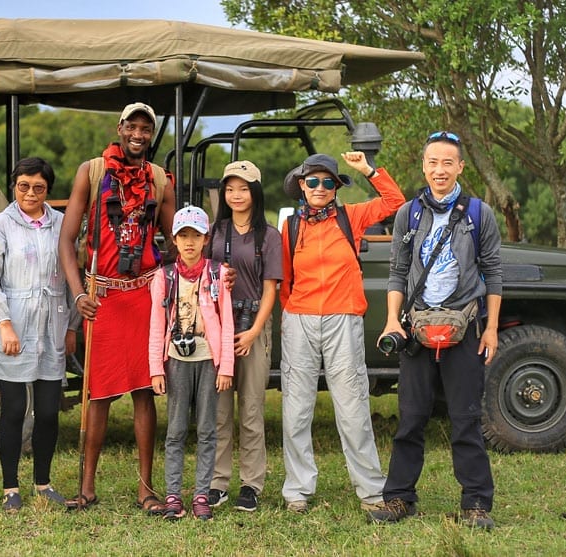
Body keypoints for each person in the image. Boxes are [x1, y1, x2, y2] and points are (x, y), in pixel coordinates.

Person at [368, 131, 503, 530]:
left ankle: (476, 504)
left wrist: (491, 328)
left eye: (448, 162)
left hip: (465, 328)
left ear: (460, 166)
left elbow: (494, 273)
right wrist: (394, 320)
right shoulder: (408, 213)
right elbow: (397, 272)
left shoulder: (480, 214)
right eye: (433, 162)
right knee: (410, 418)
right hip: (416, 329)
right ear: (424, 166)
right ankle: (398, 499)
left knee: (465, 418)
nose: (439, 169)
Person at [57, 102, 176, 514]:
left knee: (145, 393)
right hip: (102, 297)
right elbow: (67, 242)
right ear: (120, 127)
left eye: (146, 128)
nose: (138, 134)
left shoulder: (160, 180)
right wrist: (78, 295)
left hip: (144, 295)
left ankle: (146, 490)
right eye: (132, 126)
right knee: (99, 394)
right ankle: (86, 488)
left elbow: (178, 243)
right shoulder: (91, 172)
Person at [279, 152, 405, 515]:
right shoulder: (289, 227)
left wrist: (368, 170)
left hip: (343, 319)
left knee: (352, 408)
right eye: (313, 181)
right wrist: (293, 311)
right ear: (302, 186)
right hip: (299, 320)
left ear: (336, 187)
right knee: (297, 408)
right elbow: (286, 278)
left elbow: (395, 202)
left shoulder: (352, 217)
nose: (320, 188)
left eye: (327, 182)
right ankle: (297, 491)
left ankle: (370, 491)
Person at [0, 157, 78, 513]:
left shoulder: (62, 224)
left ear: (48, 190)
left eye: (39, 187)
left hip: (53, 325)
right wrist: (3, 323)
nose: (30, 193)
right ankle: (10, 487)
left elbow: (71, 274)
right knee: (14, 410)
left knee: (49, 411)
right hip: (15, 325)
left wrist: (72, 326)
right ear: (14, 186)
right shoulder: (1, 225)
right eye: (23, 186)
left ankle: (43, 482)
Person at [206, 161, 283, 513]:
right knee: (219, 411)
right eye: (230, 188)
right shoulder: (215, 231)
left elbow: (271, 289)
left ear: (256, 191)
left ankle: (251, 483)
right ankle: (218, 482)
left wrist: (254, 331)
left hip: (253, 324)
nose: (236, 195)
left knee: (251, 410)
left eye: (244, 188)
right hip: (219, 325)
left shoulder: (268, 236)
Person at [149, 206, 235, 521]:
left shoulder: (218, 273)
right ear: (173, 239)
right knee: (175, 430)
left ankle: (201, 495)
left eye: (195, 236)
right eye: (183, 236)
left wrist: (226, 366)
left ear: (205, 239)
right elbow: (156, 324)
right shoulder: (164, 277)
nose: (189, 243)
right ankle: (173, 495)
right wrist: (155, 368)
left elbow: (227, 320)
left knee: (208, 428)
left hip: (208, 359)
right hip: (176, 360)